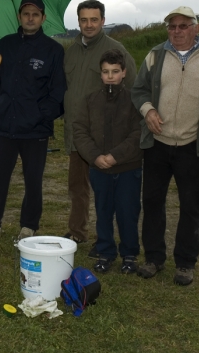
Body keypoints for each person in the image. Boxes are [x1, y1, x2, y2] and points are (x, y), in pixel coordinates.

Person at [131, 6, 199, 286]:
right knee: (152, 202)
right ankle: (154, 258)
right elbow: (139, 90)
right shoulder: (155, 55)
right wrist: (148, 111)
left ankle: (185, 263)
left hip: (194, 145)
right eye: (171, 26)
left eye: (183, 26)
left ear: (196, 28)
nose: (176, 31)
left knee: (191, 205)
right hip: (157, 143)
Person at [0, 0, 66, 240]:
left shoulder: (53, 50)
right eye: (26, 14)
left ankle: (29, 226)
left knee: (33, 180)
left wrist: (41, 115)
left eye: (35, 14)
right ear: (19, 17)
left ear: (43, 18)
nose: (30, 18)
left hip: (35, 129)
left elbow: (58, 92)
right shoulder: (5, 43)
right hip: (4, 125)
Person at [62, 0, 137, 254]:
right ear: (78, 22)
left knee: (111, 193)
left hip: (108, 139)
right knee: (77, 186)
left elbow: (134, 92)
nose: (89, 24)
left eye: (94, 19)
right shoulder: (70, 52)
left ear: (103, 20)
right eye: (84, 20)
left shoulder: (116, 50)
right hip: (78, 134)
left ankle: (113, 240)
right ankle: (77, 231)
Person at [72, 50, 143, 274]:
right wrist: (95, 157)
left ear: (124, 72)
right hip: (99, 168)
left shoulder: (134, 101)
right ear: (100, 74)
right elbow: (80, 131)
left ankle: (129, 254)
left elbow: (138, 134)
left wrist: (115, 156)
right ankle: (105, 252)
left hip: (128, 168)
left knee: (127, 211)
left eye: (115, 71)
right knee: (103, 211)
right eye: (105, 72)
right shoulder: (90, 100)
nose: (110, 76)